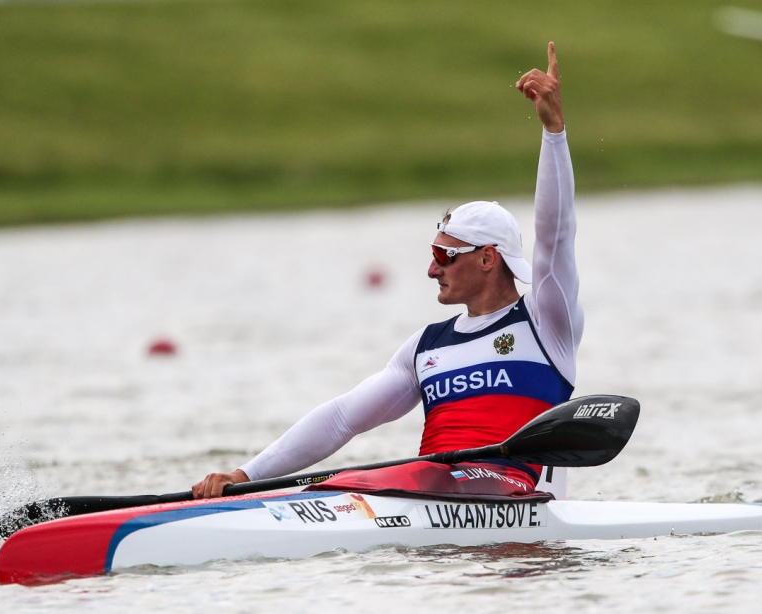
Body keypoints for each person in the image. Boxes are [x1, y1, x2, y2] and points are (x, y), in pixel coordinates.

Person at [192, 41, 583, 501]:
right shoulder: (425, 347)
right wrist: (246, 476)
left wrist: (553, 132)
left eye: (443, 255)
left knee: (393, 481)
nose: (431, 269)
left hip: (514, 497)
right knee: (347, 483)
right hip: (428, 502)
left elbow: (555, 236)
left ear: (487, 257)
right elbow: (342, 418)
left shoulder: (546, 322)